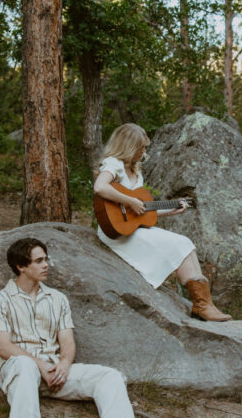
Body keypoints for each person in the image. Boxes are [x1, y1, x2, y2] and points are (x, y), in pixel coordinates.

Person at [0, 237, 161, 418]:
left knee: (107, 375)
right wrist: (40, 365)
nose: (46, 265)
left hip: (54, 372)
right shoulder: (0, 301)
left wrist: (64, 365)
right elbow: (3, 348)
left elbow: (67, 341)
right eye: (39, 261)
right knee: (24, 364)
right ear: (21, 266)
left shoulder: (57, 299)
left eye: (46, 259)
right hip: (18, 371)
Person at [93, 123, 232, 322]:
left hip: (131, 229)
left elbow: (141, 212)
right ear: (129, 146)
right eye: (141, 147)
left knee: (185, 243)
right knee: (177, 243)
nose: (144, 152)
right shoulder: (114, 164)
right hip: (116, 233)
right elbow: (100, 187)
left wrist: (172, 210)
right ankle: (202, 305)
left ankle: (203, 304)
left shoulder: (136, 172)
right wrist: (130, 200)